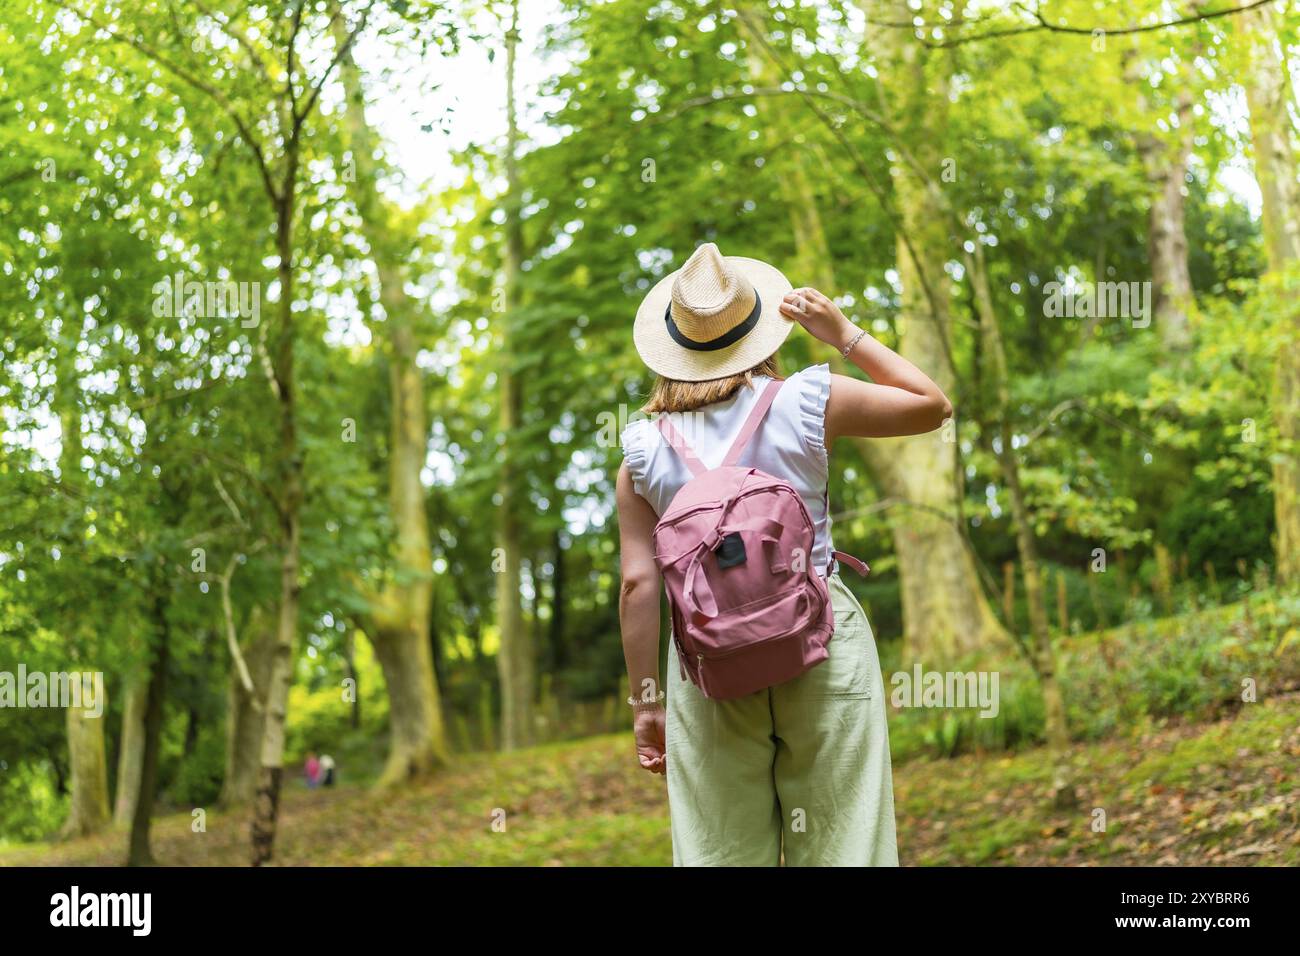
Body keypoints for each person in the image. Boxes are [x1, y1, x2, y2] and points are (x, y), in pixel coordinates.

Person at [616, 243, 951, 866]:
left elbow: (638, 585)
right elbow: (931, 405)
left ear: (674, 348)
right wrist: (844, 333)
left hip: (707, 662)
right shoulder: (807, 401)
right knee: (847, 841)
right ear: (759, 328)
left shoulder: (641, 450)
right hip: (821, 640)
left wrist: (647, 703)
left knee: (721, 851)